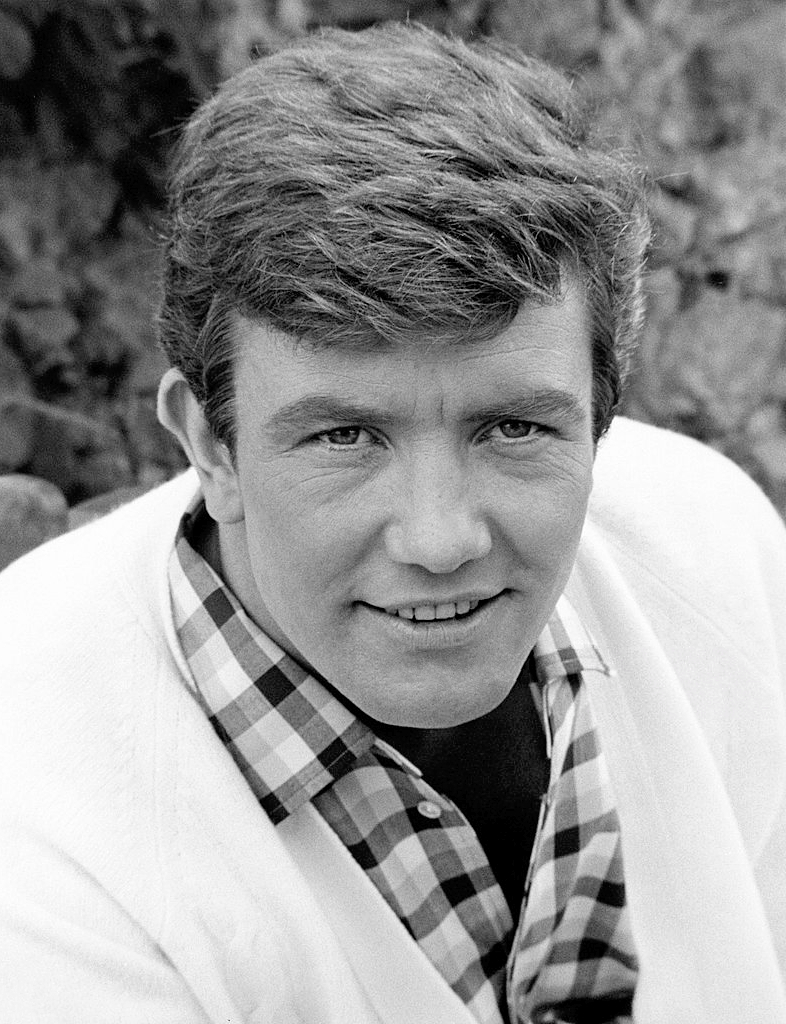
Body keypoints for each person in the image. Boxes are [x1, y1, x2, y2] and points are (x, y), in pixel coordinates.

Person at [1, 21, 785, 1024]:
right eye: (345, 437)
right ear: (209, 445)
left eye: (514, 427)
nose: (441, 538)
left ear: (604, 414)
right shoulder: (35, 811)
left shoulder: (717, 558)